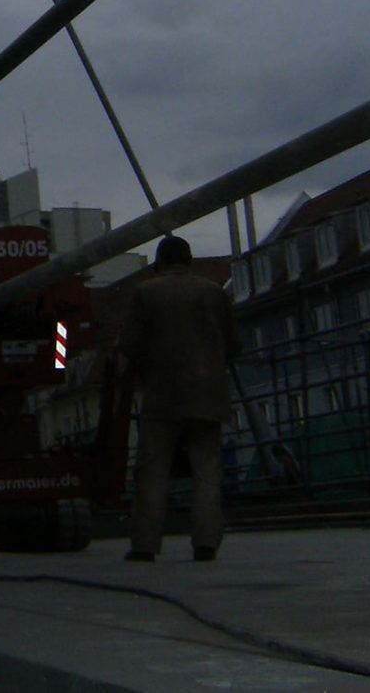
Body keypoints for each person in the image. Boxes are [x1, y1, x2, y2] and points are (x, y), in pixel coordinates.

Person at [116, 235, 239, 562]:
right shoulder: (214, 292)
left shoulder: (145, 293)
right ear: (189, 260)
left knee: (153, 471)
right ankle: (206, 543)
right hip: (208, 394)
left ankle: (145, 544)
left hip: (163, 394)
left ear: (159, 263)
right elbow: (234, 344)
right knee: (207, 470)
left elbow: (128, 348)